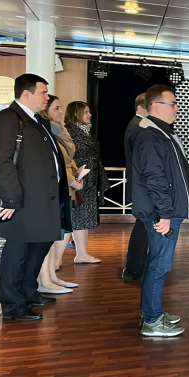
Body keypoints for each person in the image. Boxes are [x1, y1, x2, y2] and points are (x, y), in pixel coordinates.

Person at [0, 73, 69, 321]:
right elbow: (0, 162)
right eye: (43, 92)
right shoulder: (7, 119)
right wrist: (11, 199)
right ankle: (13, 306)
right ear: (26, 94)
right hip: (21, 203)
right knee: (18, 253)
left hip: (42, 201)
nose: (47, 97)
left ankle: (28, 293)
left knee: (37, 248)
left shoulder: (36, 120)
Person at [132, 85, 189, 338]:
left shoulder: (161, 133)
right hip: (162, 214)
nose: (177, 108)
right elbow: (155, 177)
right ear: (156, 106)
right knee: (160, 265)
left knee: (157, 263)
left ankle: (152, 312)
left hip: (166, 211)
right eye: (173, 103)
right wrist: (165, 214)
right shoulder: (150, 135)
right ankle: (152, 321)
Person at [38, 94, 83, 294]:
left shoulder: (57, 130)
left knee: (54, 235)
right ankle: (45, 280)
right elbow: (57, 163)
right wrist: (72, 180)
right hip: (52, 189)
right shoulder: (46, 130)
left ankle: (51, 277)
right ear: (45, 110)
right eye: (56, 108)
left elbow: (66, 159)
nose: (61, 111)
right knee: (47, 237)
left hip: (61, 188)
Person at [65, 101, 108, 264]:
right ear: (76, 114)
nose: (90, 115)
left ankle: (82, 253)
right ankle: (56, 259)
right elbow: (68, 159)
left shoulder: (84, 131)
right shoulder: (69, 132)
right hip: (78, 181)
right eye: (86, 112)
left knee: (82, 218)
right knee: (74, 218)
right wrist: (75, 177)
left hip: (88, 180)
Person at [121, 93, 148, 282]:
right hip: (142, 187)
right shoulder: (138, 127)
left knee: (143, 227)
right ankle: (133, 269)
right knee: (142, 228)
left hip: (139, 186)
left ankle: (136, 267)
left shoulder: (136, 125)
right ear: (141, 107)